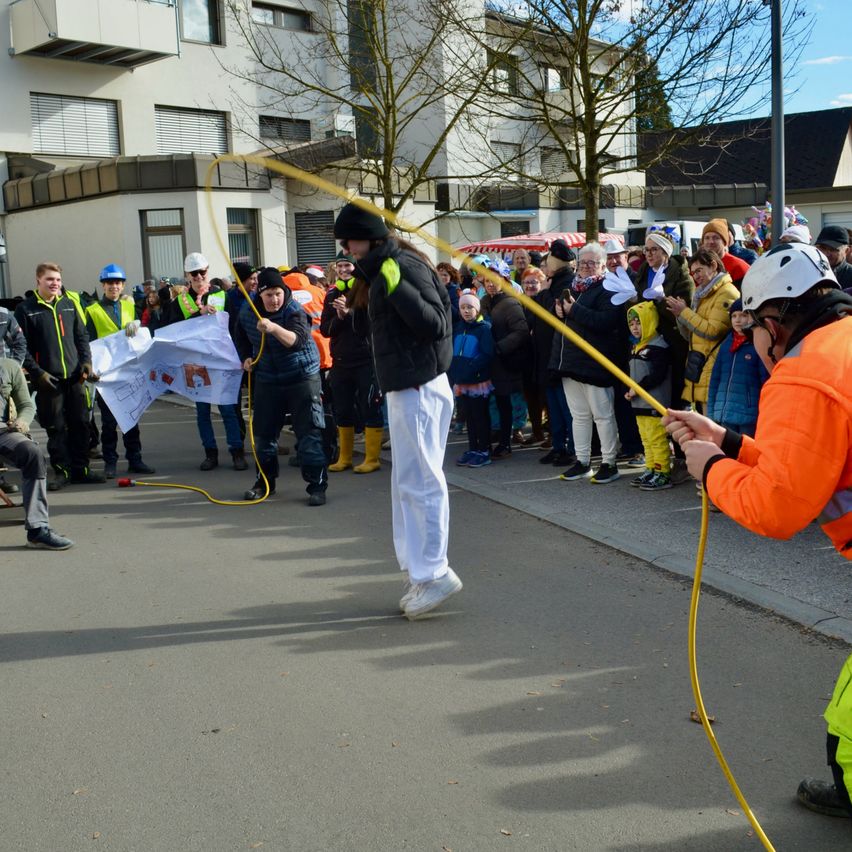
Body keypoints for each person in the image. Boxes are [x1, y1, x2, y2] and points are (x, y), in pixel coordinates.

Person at [662, 241, 852, 821]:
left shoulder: (803, 373)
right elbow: (811, 459)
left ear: (774, 320)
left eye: (752, 326)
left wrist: (710, 469)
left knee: (847, 729)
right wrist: (724, 440)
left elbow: (778, 507)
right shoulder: (841, 346)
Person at [333, 202, 460, 620]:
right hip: (405, 385)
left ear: (366, 237)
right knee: (407, 482)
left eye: (349, 242)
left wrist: (396, 286)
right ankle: (421, 572)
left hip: (420, 386)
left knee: (423, 482)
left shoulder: (403, 266)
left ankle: (435, 571)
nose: (347, 251)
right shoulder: (381, 268)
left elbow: (435, 325)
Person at [234, 268, 328, 506]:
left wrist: (273, 328)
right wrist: (245, 357)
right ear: (260, 294)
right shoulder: (248, 310)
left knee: (308, 434)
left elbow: (295, 342)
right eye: (269, 295)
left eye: (278, 294)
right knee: (264, 435)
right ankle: (264, 484)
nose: (274, 300)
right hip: (267, 377)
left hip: (302, 376)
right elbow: (239, 337)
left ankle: (317, 486)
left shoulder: (294, 310)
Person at [14, 262, 104, 488]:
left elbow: (81, 337)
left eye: (57, 280)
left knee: (81, 424)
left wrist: (86, 362)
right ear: (38, 281)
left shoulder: (69, 304)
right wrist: (38, 373)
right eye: (49, 279)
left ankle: (81, 470)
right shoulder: (26, 309)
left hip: (75, 377)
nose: (54, 284)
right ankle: (62, 471)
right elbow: (21, 347)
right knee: (56, 427)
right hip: (48, 380)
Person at [163, 252, 247, 472]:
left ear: (208, 271)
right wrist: (197, 314)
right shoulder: (180, 301)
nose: (199, 276)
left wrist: (240, 356)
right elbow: (171, 330)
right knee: (202, 411)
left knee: (228, 408)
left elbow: (235, 326)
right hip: (194, 362)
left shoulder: (221, 295)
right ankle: (210, 453)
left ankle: (237, 451)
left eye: (203, 271)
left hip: (220, 361)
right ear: (187, 275)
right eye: (194, 273)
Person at [550, 242, 623, 484]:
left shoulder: (609, 288)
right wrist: (559, 312)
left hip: (596, 362)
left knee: (603, 415)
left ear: (603, 265)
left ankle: (609, 462)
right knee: (578, 416)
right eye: (582, 263)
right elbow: (563, 315)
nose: (586, 267)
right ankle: (582, 461)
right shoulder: (572, 286)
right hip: (570, 361)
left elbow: (606, 321)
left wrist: (573, 311)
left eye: (592, 263)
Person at [85, 264, 156, 480]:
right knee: (109, 422)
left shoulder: (129, 308)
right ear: (103, 285)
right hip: (106, 375)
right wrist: (91, 369)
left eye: (117, 283)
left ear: (123, 285)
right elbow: (88, 342)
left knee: (131, 419)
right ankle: (110, 461)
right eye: (109, 283)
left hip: (128, 372)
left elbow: (137, 339)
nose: (113, 286)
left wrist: (137, 329)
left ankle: (135, 459)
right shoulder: (93, 310)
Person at [0, 357, 73, 549]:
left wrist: (22, 421)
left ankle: (37, 530)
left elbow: (26, 404)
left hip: (2, 432)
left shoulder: (9, 367)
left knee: (32, 453)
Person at [320, 261, 383, 475]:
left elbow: (370, 327)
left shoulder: (367, 291)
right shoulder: (331, 295)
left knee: (369, 406)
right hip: (341, 361)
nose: (344, 270)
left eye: (348, 266)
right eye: (340, 267)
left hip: (365, 360)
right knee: (342, 408)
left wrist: (350, 313)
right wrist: (339, 317)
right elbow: (325, 329)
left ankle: (372, 458)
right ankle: (344, 457)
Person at [665, 249, 738, 413]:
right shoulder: (702, 294)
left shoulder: (726, 292)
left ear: (713, 266)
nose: (696, 276)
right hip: (700, 365)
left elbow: (713, 331)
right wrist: (680, 315)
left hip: (712, 366)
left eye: (699, 270)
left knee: (710, 425)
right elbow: (691, 334)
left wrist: (684, 312)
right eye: (693, 273)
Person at [480, 259, 529, 459]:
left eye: (495, 279)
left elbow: (521, 331)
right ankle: (494, 437)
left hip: (503, 361)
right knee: (490, 401)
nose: (490, 283)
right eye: (487, 280)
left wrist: (499, 348)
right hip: (487, 360)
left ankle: (505, 442)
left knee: (503, 401)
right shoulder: (484, 301)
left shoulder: (510, 302)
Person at [536, 240, 577, 467]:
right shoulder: (553, 281)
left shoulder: (567, 282)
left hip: (559, 352)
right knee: (553, 405)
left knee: (565, 405)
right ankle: (558, 445)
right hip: (547, 352)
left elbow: (553, 312)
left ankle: (570, 448)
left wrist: (542, 293)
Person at [625, 302, 672, 490]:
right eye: (632, 324)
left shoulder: (658, 347)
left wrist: (638, 388)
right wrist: (629, 390)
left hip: (654, 402)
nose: (635, 327)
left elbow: (657, 376)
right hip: (639, 402)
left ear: (649, 321)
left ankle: (663, 472)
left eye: (639, 322)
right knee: (645, 438)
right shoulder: (635, 347)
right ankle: (651, 468)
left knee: (657, 438)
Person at [706, 299, 769, 438]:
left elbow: (765, 381)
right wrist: (711, 412)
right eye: (734, 316)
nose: (738, 320)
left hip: (748, 416)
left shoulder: (757, 343)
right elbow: (715, 380)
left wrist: (764, 413)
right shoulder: (726, 344)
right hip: (723, 414)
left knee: (746, 454)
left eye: (743, 315)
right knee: (727, 456)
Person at [449, 289, 494, 468]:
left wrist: (470, 368)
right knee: (469, 417)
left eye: (470, 307)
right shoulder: (458, 328)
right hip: (461, 381)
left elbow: (487, 353)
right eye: (463, 308)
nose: (466, 311)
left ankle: (484, 450)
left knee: (479, 416)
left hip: (477, 381)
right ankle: (473, 448)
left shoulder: (484, 329)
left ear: (477, 309)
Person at [700, 218, 750, 288]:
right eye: (707, 238)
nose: (711, 242)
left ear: (725, 242)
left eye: (716, 238)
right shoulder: (698, 265)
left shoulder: (739, 266)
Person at [814, 225, 852, 290]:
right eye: (823, 248)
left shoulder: (850, 275)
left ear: (846, 251)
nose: (826, 254)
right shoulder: (810, 270)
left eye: (833, 249)